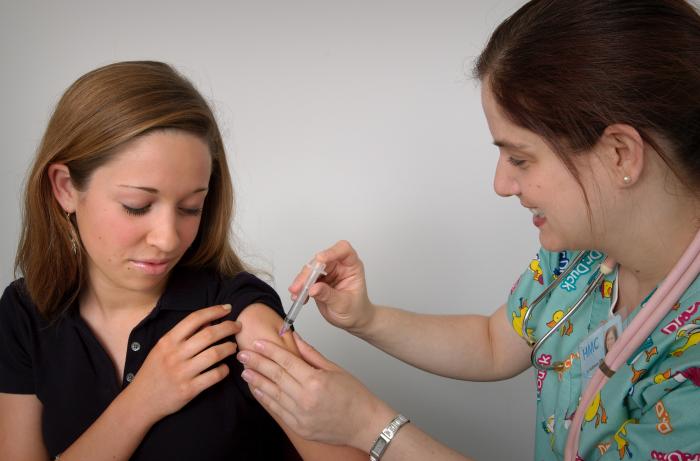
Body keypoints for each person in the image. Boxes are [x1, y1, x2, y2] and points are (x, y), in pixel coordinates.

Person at [235, 1, 700, 460]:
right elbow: (494, 343)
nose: (501, 185)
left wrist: (368, 426)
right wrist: (366, 318)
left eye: (520, 158)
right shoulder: (580, 259)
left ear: (619, 154)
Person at [0, 61, 365, 461]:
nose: (168, 238)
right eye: (137, 207)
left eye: (191, 208)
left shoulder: (238, 316)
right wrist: (141, 402)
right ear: (66, 188)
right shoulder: (24, 313)